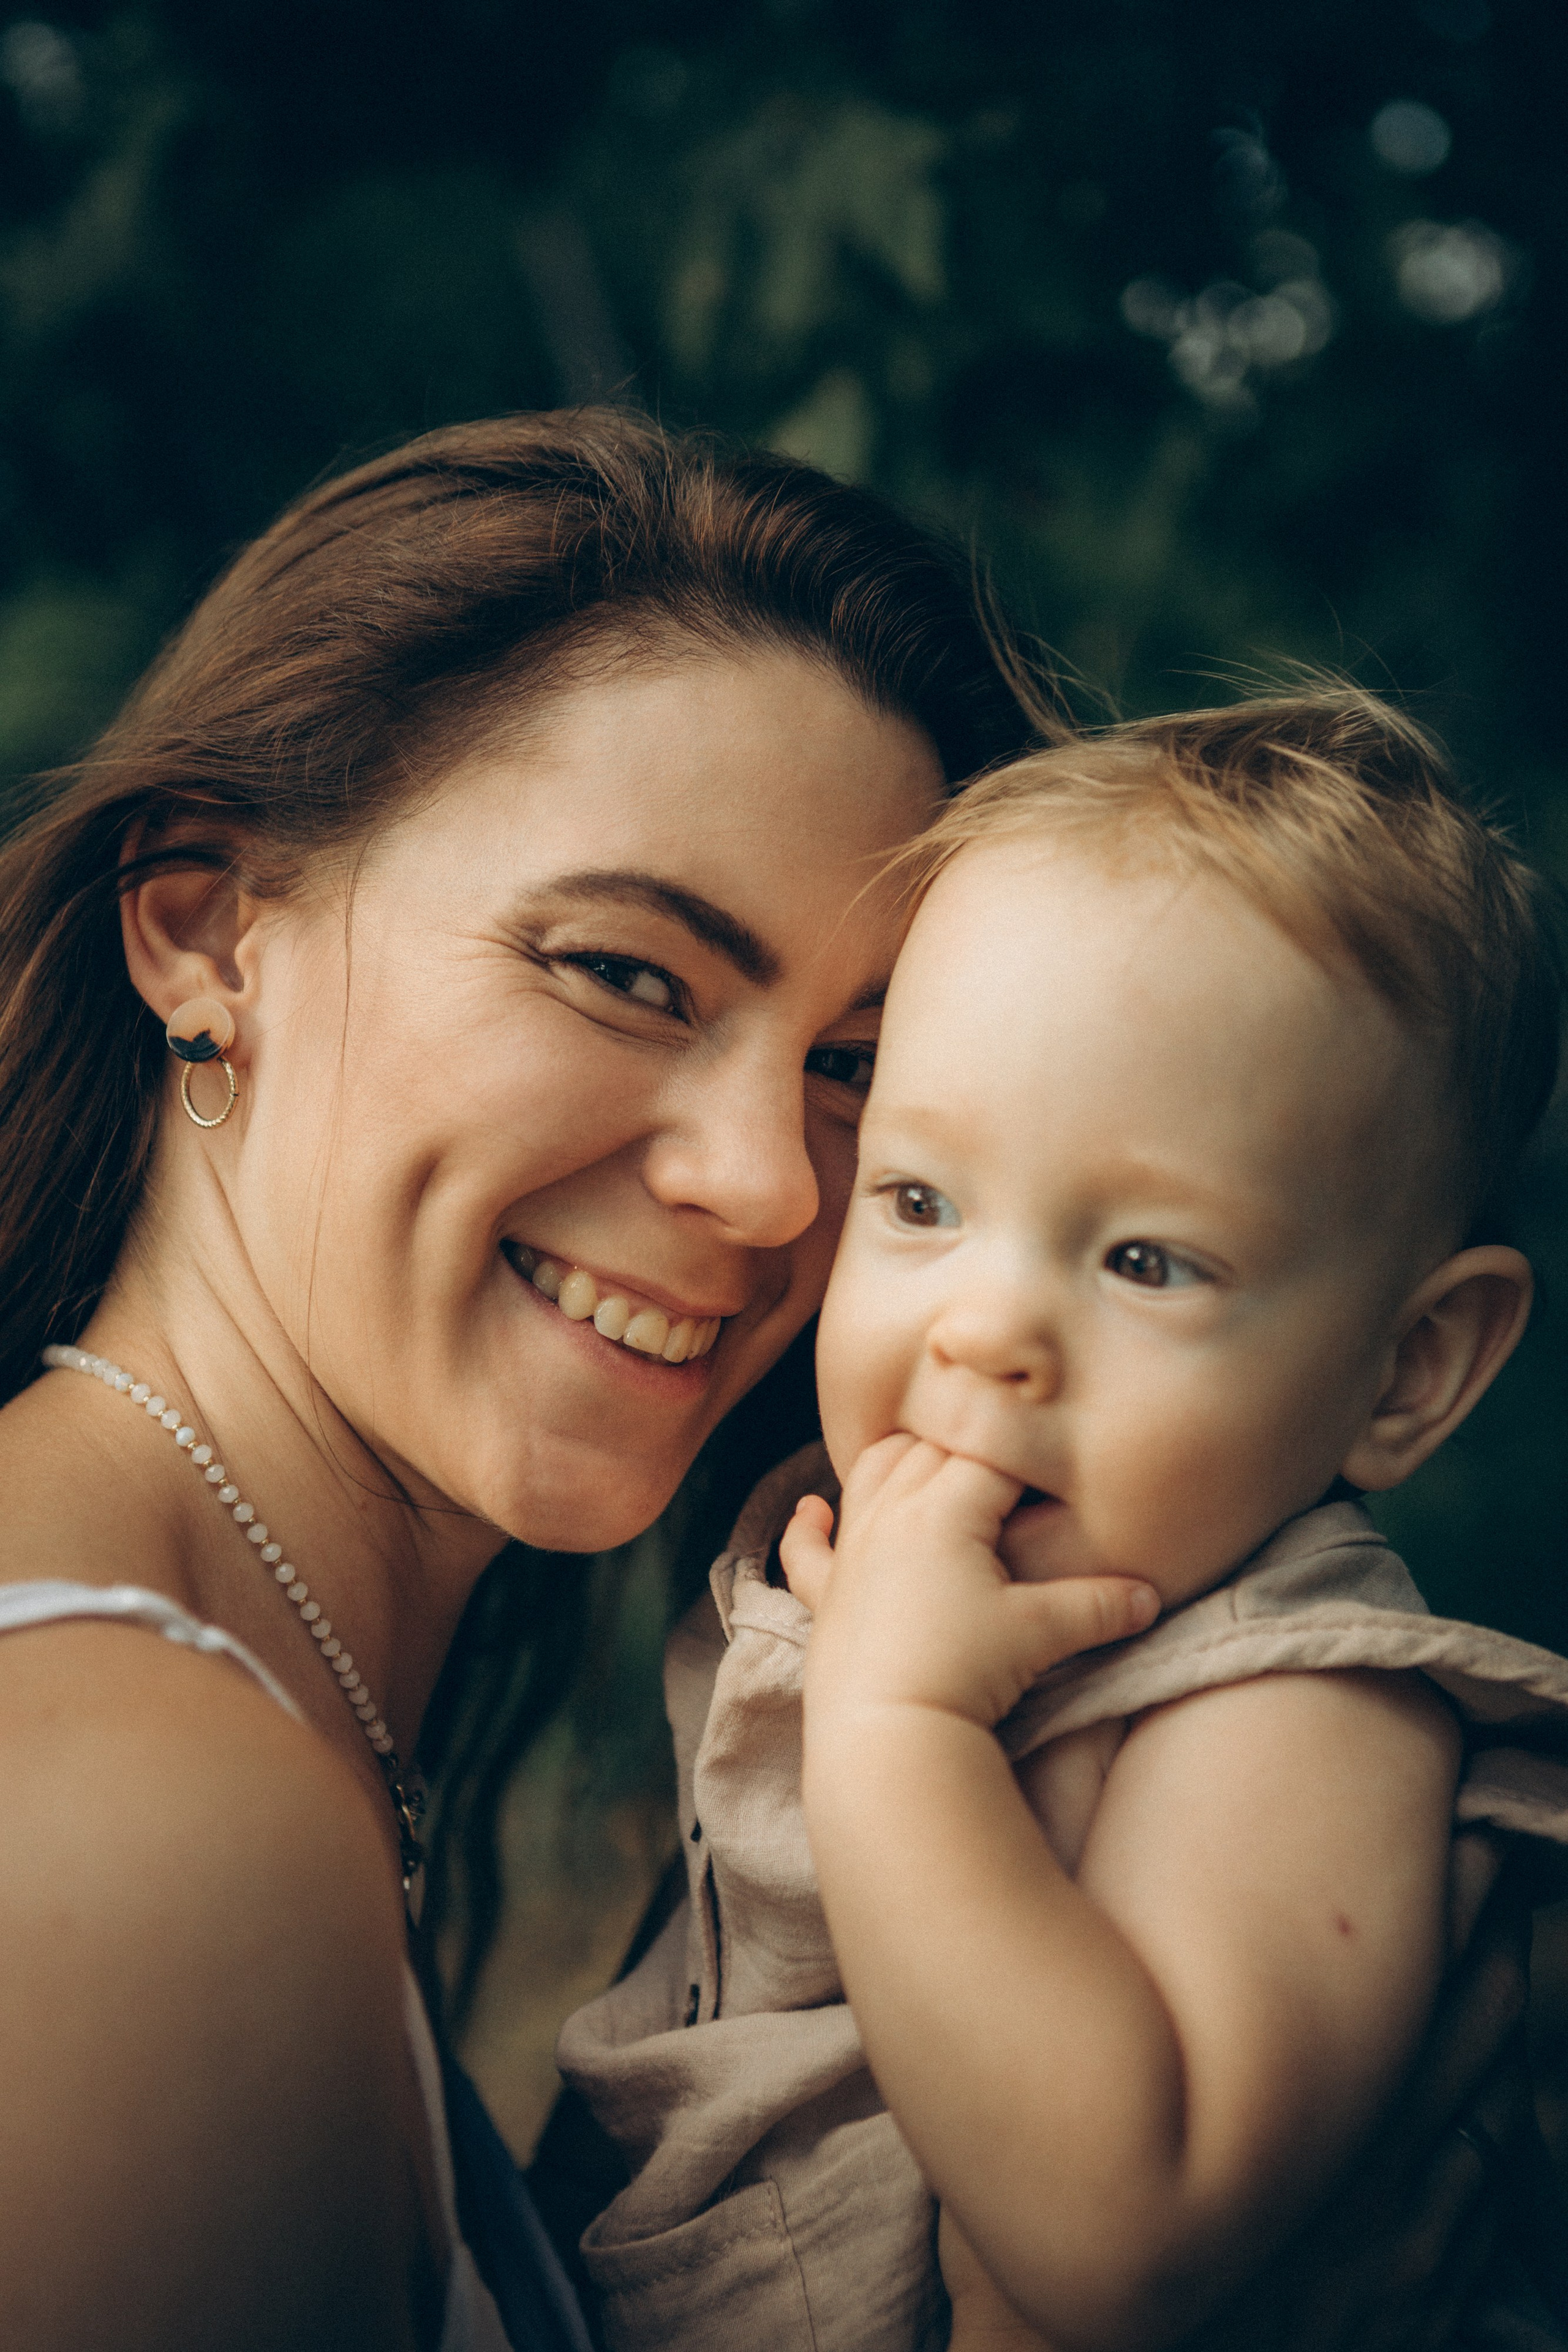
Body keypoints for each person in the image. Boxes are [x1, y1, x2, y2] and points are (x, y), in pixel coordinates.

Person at [0, 409, 1549, 2352]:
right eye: (627, 973)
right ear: (210, 934)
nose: (766, 1185)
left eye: (848, 1070)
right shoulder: (124, 1817)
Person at [556, 692, 1568, 2352]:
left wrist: (893, 1727)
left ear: (1408, 1369)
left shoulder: (1292, 1705)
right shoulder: (850, 1570)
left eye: (1146, 1261)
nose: (983, 1328)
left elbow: (1126, 2235)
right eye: (922, 1202)